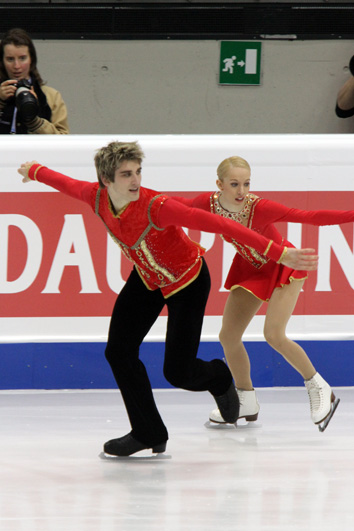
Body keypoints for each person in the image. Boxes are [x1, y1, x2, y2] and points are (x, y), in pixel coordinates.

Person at [17, 141, 317, 457]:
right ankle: (148, 431)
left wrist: (279, 251)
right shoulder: (95, 197)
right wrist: (33, 171)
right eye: (126, 174)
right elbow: (64, 183)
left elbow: (220, 223)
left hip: (188, 281)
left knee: (178, 373)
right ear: (106, 180)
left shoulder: (156, 206)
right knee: (118, 351)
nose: (135, 181)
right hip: (147, 279)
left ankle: (219, 377)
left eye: (138, 172)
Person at [172, 155, 354, 432]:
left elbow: (309, 217)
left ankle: (319, 387)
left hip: (284, 266)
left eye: (246, 183)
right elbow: (173, 207)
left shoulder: (260, 207)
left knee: (274, 334)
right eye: (234, 184)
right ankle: (245, 399)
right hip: (251, 269)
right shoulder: (206, 204)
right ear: (219, 184)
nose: (242, 191)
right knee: (228, 336)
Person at [0, 28, 69, 134]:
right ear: (2, 61)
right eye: (10, 59)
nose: (17, 66)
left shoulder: (51, 96)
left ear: (31, 59)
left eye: (22, 58)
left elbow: (63, 142)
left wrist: (34, 120)